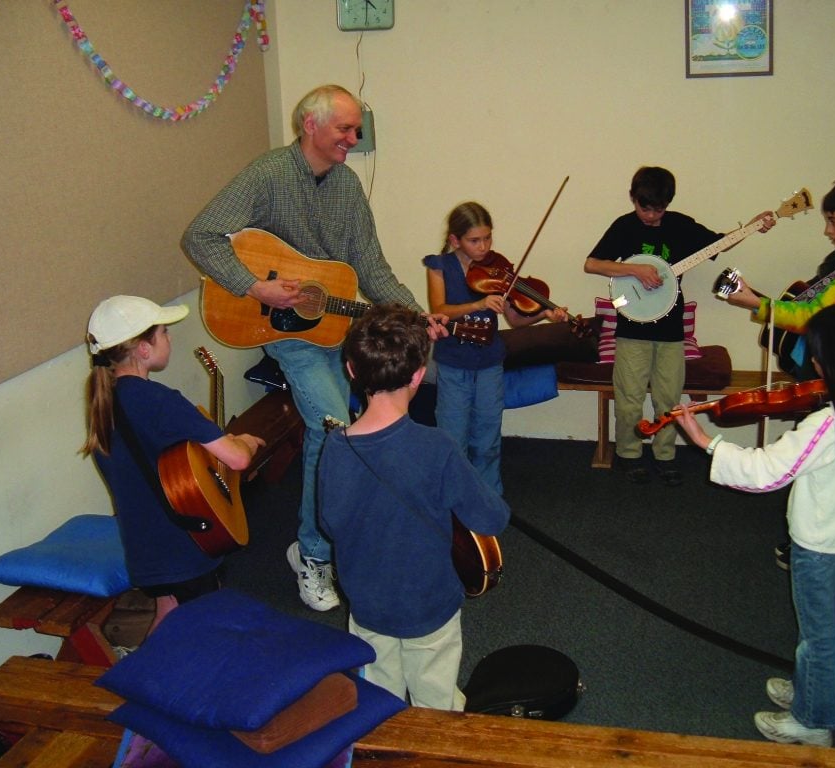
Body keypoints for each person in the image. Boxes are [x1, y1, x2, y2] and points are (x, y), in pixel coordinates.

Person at [181, 84, 446, 611]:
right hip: (287, 337)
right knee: (331, 431)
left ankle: (345, 533)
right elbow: (201, 236)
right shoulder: (267, 175)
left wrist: (415, 311)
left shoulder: (346, 185)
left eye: (356, 129)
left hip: (336, 334)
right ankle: (313, 555)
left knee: (363, 430)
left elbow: (369, 265)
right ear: (310, 126)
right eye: (345, 129)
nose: (354, 137)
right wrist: (254, 286)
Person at [674, 302, 835, 747]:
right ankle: (810, 690)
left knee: (815, 635)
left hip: (819, 543)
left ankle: (814, 722)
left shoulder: (827, 424)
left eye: (818, 356)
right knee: (820, 625)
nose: (812, 364)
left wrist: (706, 441)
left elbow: (767, 472)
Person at [318, 304, 510, 710]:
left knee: (378, 698)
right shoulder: (437, 447)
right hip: (429, 603)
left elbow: (329, 524)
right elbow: (492, 517)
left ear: (351, 370)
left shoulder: (334, 447)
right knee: (436, 697)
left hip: (367, 604)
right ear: (420, 376)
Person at [723, 178, 835, 568]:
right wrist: (759, 301)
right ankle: (818, 534)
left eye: (834, 222)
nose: (827, 231)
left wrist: (756, 303)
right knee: (828, 460)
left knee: (830, 461)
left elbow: (812, 316)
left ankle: (816, 541)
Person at [80, 295, 264, 634]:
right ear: (143, 349)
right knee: (205, 631)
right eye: (164, 332)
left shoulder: (104, 406)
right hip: (184, 546)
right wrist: (248, 442)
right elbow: (236, 457)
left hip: (144, 547)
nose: (170, 338)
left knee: (168, 612)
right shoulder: (160, 402)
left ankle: (144, 680)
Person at [584, 166, 773, 486]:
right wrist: (634, 270)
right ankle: (629, 453)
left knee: (669, 398)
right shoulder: (624, 226)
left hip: (672, 329)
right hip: (632, 325)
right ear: (633, 198)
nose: (652, 215)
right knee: (629, 396)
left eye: (659, 209)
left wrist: (753, 225)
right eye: (645, 208)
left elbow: (719, 243)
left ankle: (665, 455)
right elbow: (592, 263)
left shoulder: (680, 225)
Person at [423, 202, 568, 494]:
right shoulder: (440, 266)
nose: (483, 246)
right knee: (453, 435)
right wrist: (478, 303)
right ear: (455, 240)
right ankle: (454, 498)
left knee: (488, 436)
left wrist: (543, 313)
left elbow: (514, 319)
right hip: (453, 362)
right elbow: (439, 310)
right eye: (474, 240)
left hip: (490, 361)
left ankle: (488, 496)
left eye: (488, 238)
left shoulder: (497, 269)